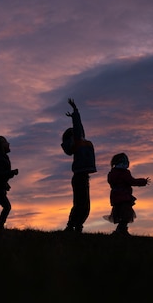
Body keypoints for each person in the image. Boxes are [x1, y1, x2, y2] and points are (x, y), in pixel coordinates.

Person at [61, 98, 97, 233]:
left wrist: (76, 112)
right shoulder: (77, 141)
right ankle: (72, 226)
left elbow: (79, 127)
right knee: (81, 204)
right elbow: (78, 126)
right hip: (79, 177)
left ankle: (77, 226)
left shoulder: (80, 140)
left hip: (83, 176)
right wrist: (75, 111)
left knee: (84, 205)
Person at [105, 153, 150, 236]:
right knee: (126, 214)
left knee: (120, 213)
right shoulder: (124, 173)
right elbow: (131, 181)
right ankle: (121, 230)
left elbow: (111, 182)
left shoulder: (112, 173)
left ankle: (121, 230)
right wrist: (143, 181)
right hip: (124, 196)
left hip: (115, 197)